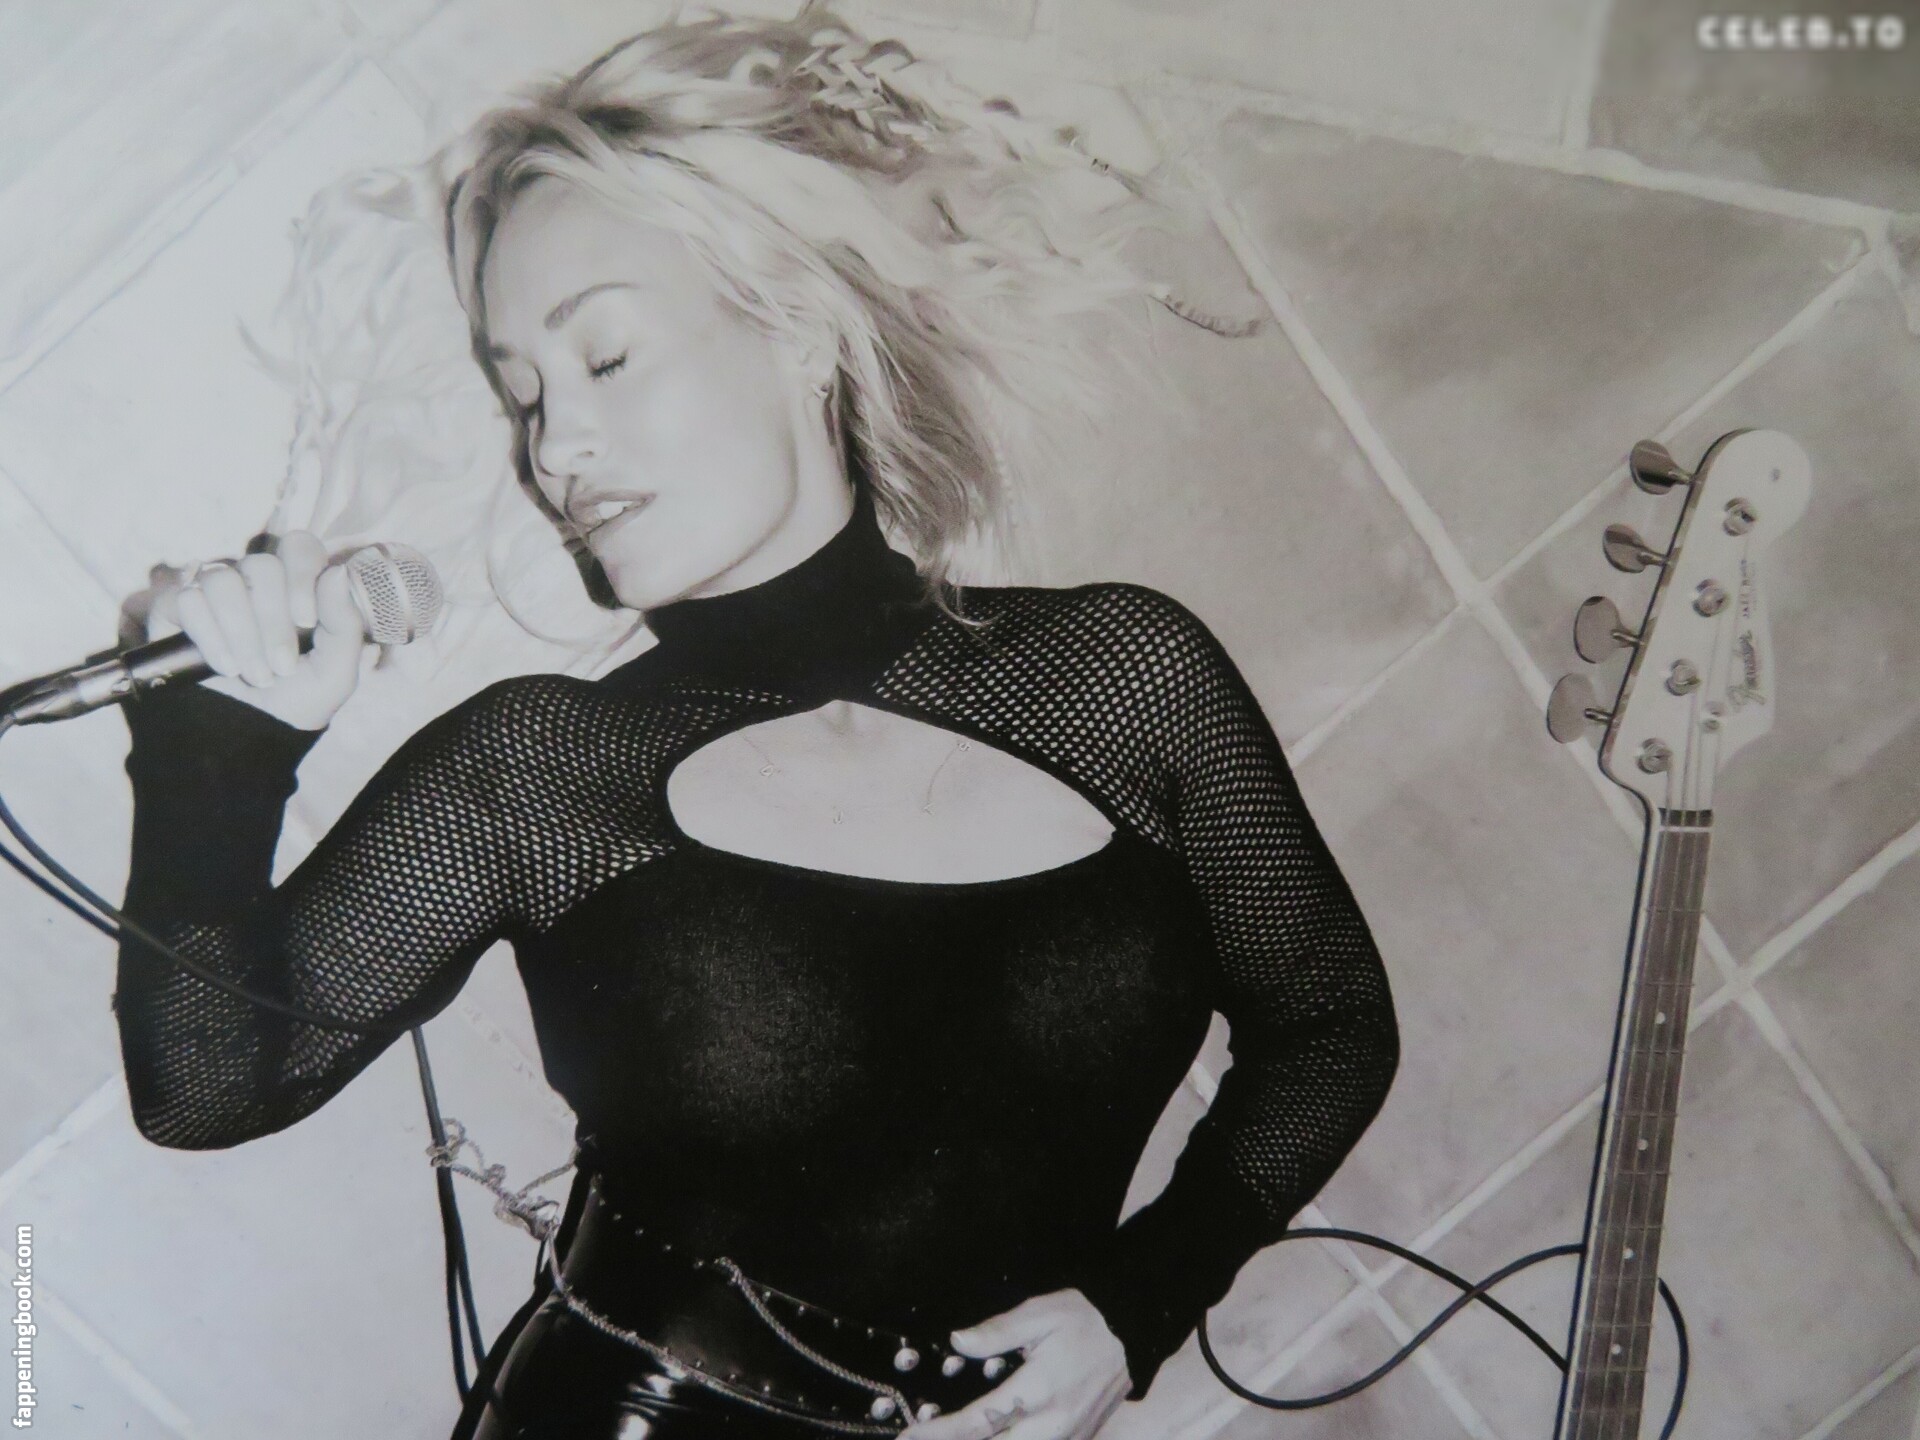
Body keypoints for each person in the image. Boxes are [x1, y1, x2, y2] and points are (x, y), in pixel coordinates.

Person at [112, 9, 1400, 1438]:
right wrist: (215, 745)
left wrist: (1139, 1303)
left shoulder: (1121, 674)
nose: (554, 447)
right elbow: (206, 1087)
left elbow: (1331, 1023)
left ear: (799, 331)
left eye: (605, 358)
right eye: (523, 395)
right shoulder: (543, 768)